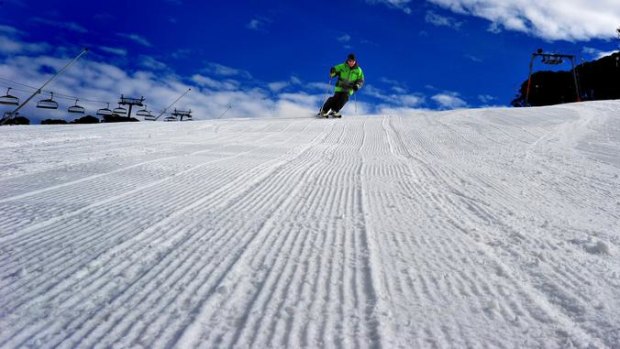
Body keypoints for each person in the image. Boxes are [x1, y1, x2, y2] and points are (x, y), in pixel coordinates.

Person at [319, 53, 365, 118]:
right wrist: (333, 71)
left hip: (349, 88)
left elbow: (361, 80)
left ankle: (334, 110)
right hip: (340, 87)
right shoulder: (342, 66)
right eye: (350, 61)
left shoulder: (358, 70)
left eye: (353, 61)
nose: (351, 63)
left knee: (344, 98)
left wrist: (357, 85)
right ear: (347, 60)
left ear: (355, 61)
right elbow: (335, 70)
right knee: (336, 98)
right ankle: (324, 110)